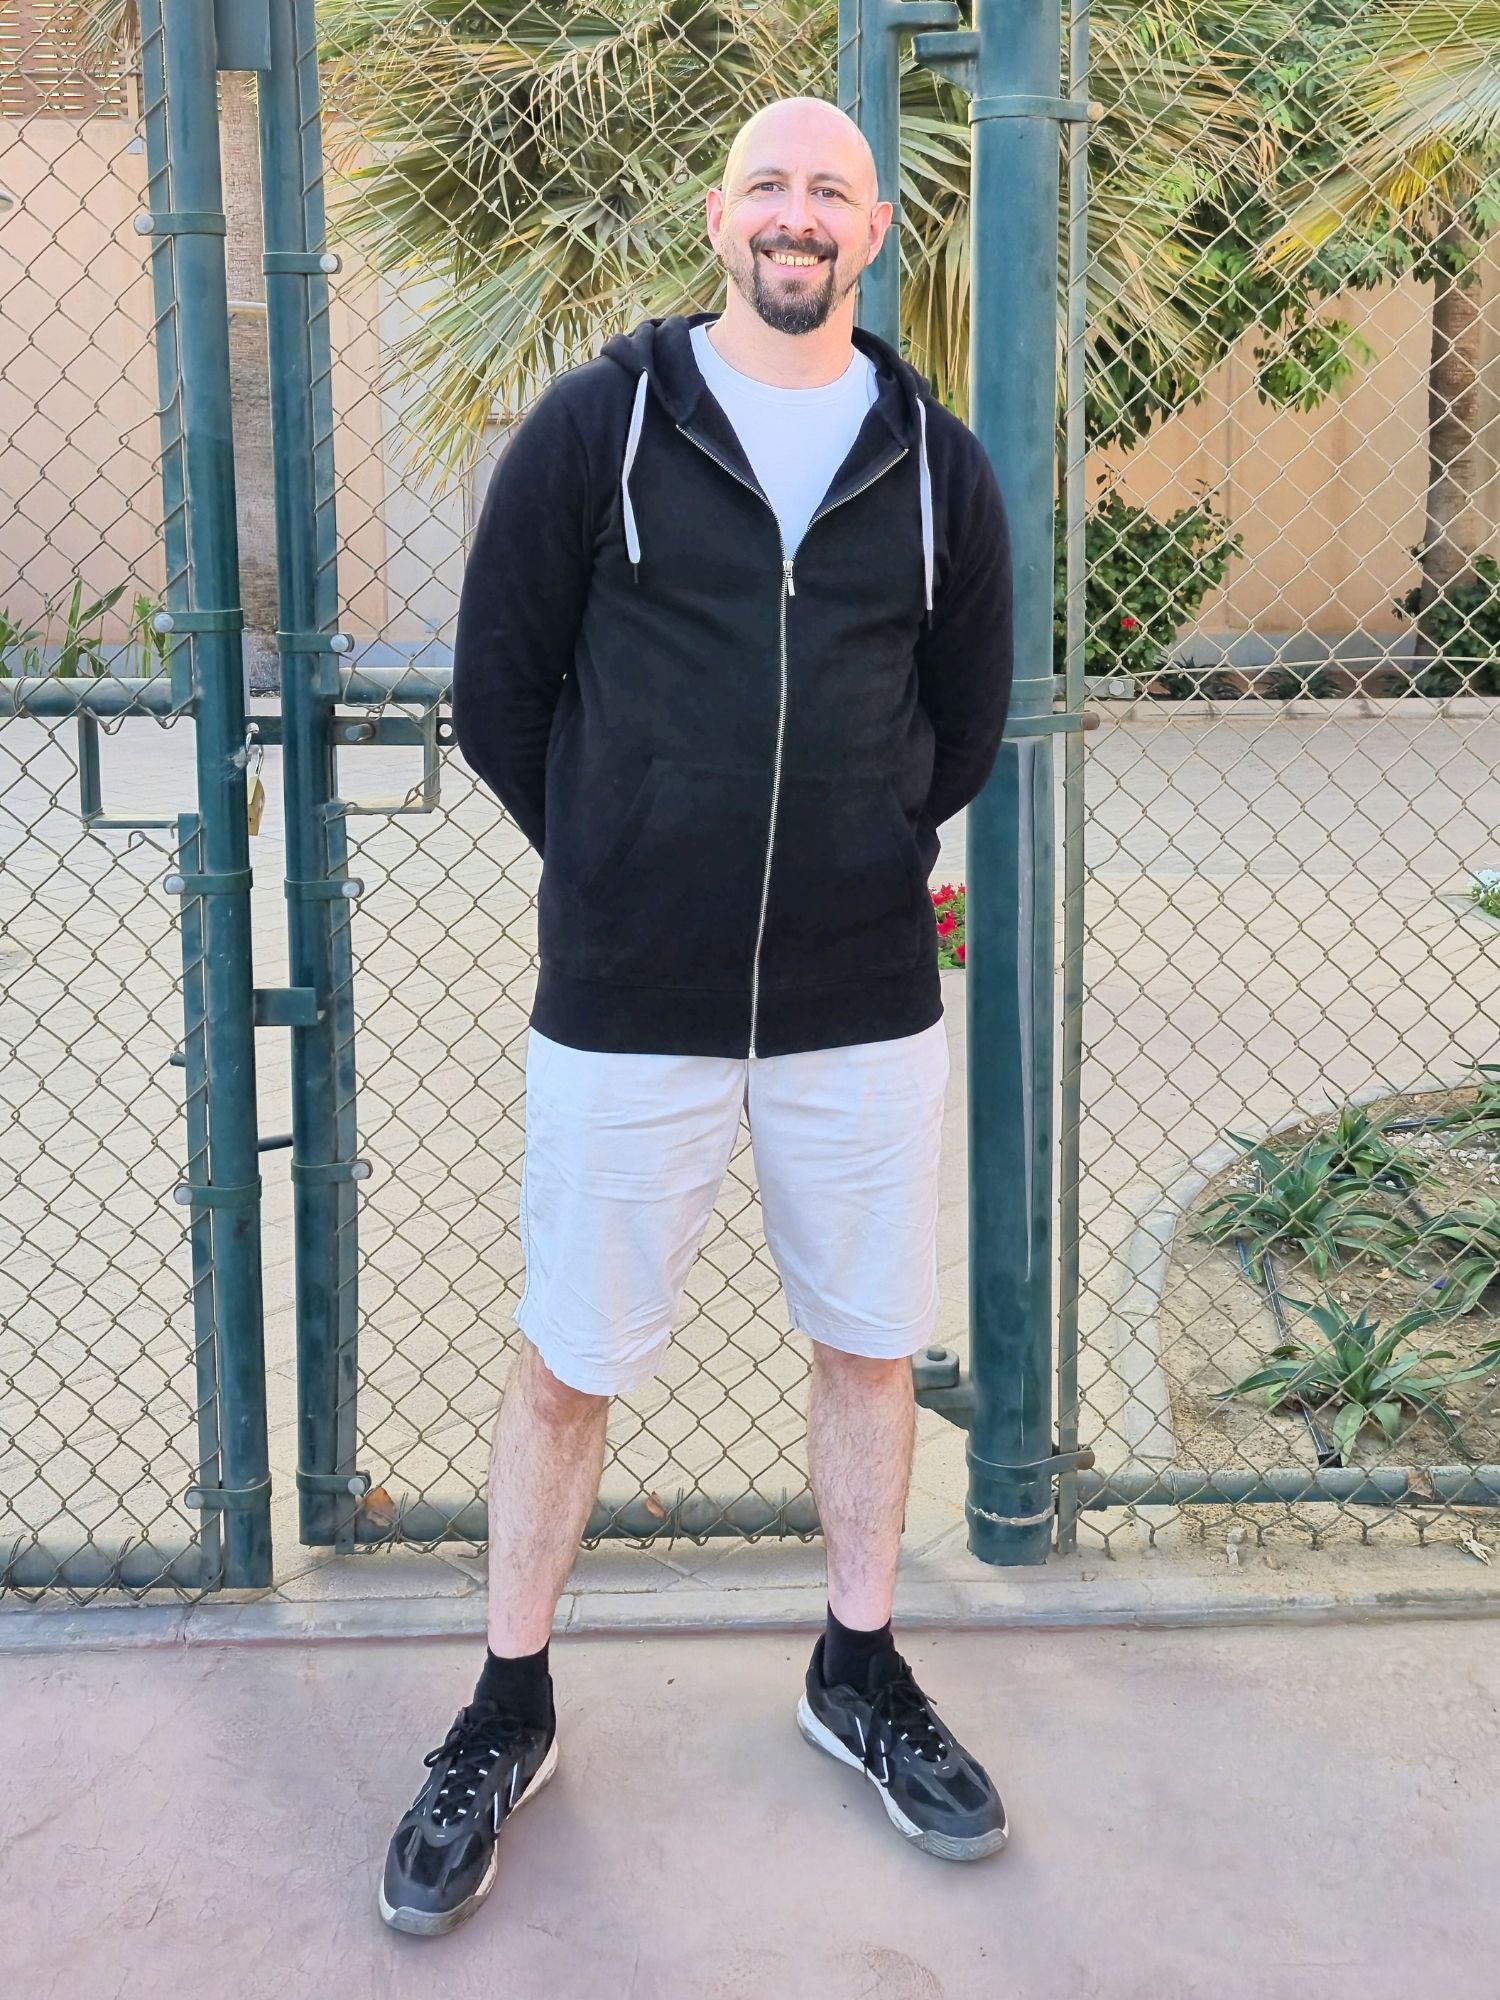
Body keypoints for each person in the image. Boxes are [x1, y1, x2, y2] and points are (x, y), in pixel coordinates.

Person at [379, 93, 1014, 1937]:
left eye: (829, 188)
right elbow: (501, 689)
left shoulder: (935, 460)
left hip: (858, 996)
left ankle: (860, 1669)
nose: (795, 216)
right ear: (718, 216)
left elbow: (956, 719)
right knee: (570, 1354)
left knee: (868, 1343)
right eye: (766, 186)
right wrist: (618, 849)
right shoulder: (607, 424)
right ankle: (507, 1707)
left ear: (873, 229)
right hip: (629, 997)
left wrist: (861, 854)